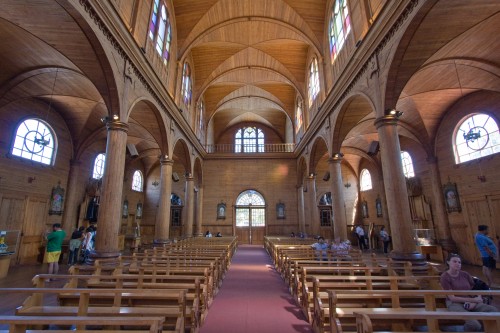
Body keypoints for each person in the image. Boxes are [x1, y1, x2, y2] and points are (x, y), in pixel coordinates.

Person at [440, 253, 497, 331]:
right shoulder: (445, 277)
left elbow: (475, 289)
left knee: (493, 311)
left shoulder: (465, 274)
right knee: (474, 324)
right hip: (455, 304)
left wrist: (475, 301)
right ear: (448, 262)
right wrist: (473, 300)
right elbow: (452, 298)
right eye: (454, 261)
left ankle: (488, 330)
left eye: (459, 262)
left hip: (470, 301)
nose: (458, 264)